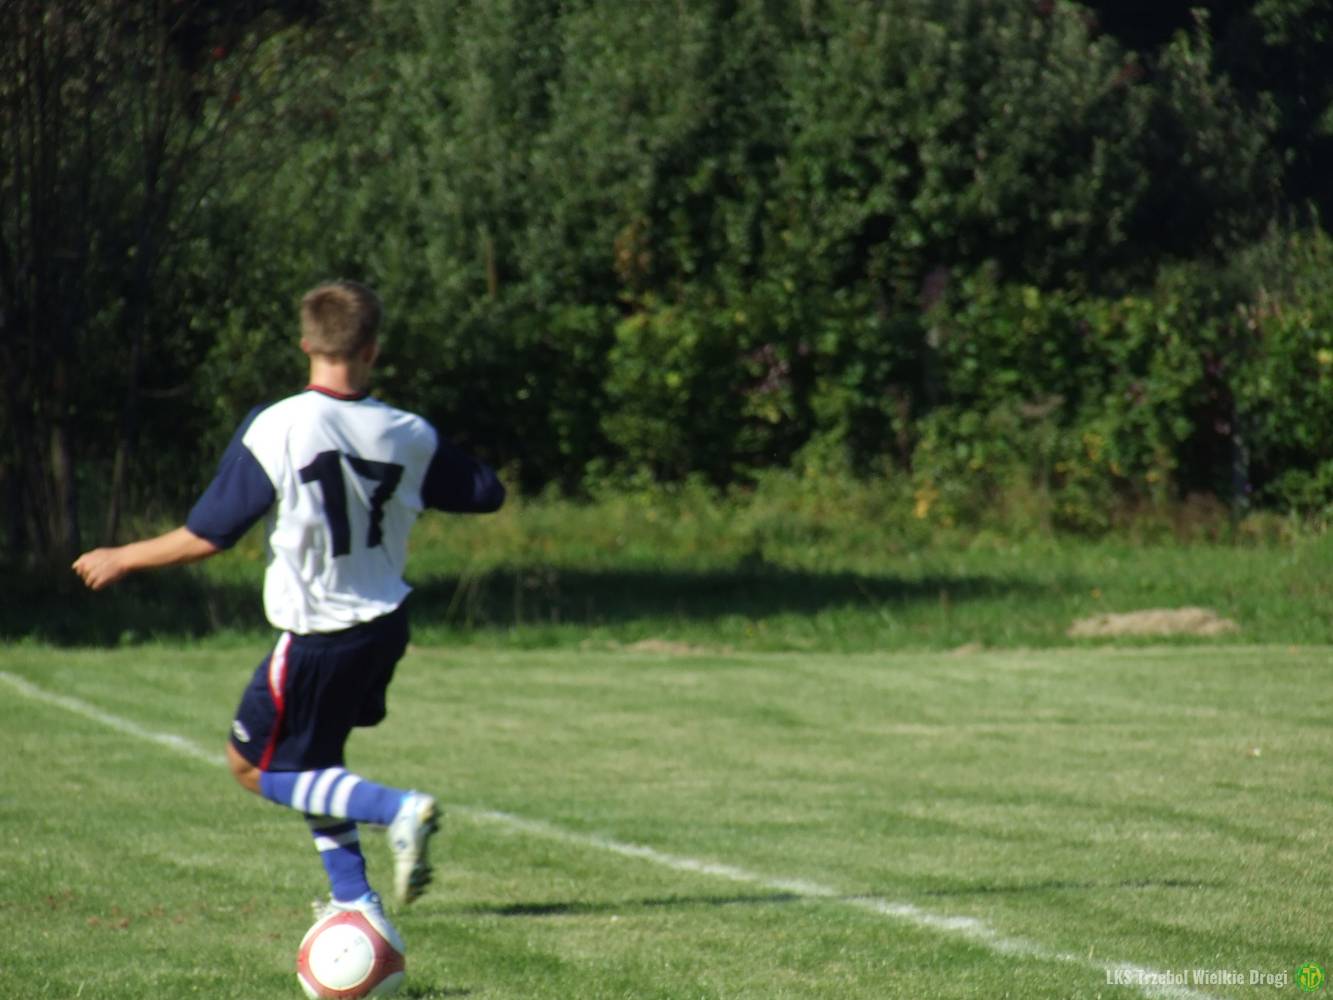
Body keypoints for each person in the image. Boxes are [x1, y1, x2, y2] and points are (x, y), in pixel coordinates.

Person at [72, 280, 506, 943]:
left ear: (306, 343)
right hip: (384, 627)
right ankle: (355, 901)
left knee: (253, 767)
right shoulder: (408, 433)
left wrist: (124, 556)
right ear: (372, 348)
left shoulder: (279, 424)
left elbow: (211, 533)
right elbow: (485, 492)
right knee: (315, 761)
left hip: (317, 635)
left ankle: (394, 808)